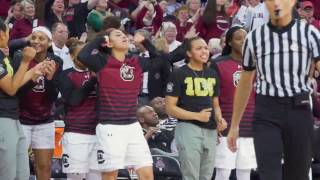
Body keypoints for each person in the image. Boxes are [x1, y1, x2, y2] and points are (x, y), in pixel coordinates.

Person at [227, 0, 320, 180]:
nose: (277, 3)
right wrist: (234, 125)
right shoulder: (254, 37)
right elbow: (245, 83)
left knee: (298, 175)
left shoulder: (310, 34)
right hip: (266, 112)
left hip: (299, 111)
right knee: (269, 174)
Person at [77, 29, 157, 180]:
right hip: (110, 127)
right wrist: (101, 37)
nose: (123, 37)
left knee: (147, 173)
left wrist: (145, 42)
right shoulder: (102, 61)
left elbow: (158, 59)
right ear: (109, 43)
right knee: (110, 174)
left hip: (133, 126)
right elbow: (83, 56)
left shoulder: (136, 61)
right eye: (117, 35)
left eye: (124, 35)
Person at [165, 37, 227, 180]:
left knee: (206, 176)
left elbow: (215, 104)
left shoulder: (212, 74)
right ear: (189, 53)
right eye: (198, 48)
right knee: (191, 176)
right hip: (188, 128)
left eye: (205, 47)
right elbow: (170, 108)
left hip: (211, 130)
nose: (204, 51)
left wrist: (219, 119)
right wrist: (197, 116)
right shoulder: (178, 74)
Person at [13, 26, 63, 180]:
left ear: (49, 43)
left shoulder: (55, 61)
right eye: (33, 37)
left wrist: (49, 78)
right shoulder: (20, 58)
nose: (36, 41)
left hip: (44, 121)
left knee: (44, 166)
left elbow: (53, 96)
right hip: (21, 120)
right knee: (17, 166)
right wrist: (33, 79)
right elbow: (15, 92)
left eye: (41, 39)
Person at [0, 19, 47, 180]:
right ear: (1, 35)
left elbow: (15, 82)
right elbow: (12, 89)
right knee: (8, 173)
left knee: (22, 174)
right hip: (2, 118)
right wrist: (26, 62)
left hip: (13, 117)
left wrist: (35, 69)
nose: (9, 35)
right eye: (7, 32)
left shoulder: (2, 56)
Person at [212, 26, 257, 180]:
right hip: (227, 124)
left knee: (245, 172)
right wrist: (216, 120)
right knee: (223, 171)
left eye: (246, 38)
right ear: (229, 42)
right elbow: (212, 96)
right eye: (238, 38)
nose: (243, 41)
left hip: (249, 124)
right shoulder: (217, 63)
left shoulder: (256, 64)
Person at [58, 38, 101, 180]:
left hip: (100, 133)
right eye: (81, 54)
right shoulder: (65, 75)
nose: (85, 58)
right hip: (76, 134)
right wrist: (93, 80)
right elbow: (73, 100)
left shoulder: (101, 72)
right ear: (71, 56)